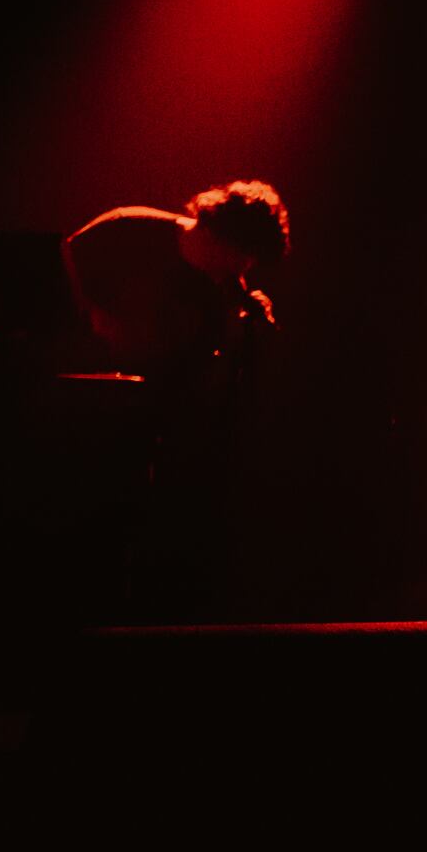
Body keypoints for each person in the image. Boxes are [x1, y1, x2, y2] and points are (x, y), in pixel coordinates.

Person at [61, 178, 289, 618]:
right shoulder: (128, 229)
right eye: (238, 256)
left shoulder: (223, 291)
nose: (240, 269)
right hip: (79, 410)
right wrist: (90, 318)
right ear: (215, 233)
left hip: (144, 438)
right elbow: (56, 274)